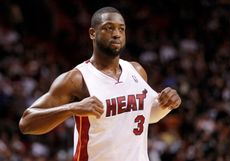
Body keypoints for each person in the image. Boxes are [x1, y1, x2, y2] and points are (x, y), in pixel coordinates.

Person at [19, 7, 182, 161]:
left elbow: (147, 116)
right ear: (92, 33)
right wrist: (72, 108)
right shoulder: (77, 79)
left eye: (121, 29)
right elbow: (26, 123)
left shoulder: (137, 70)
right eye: (109, 28)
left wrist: (166, 104)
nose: (117, 34)